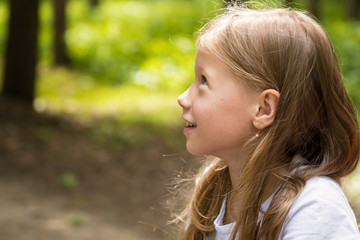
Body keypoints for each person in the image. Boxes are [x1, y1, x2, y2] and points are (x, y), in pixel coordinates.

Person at [176, 4, 360, 240]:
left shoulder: (314, 208)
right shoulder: (212, 198)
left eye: (203, 81)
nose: (182, 98)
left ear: (263, 109)